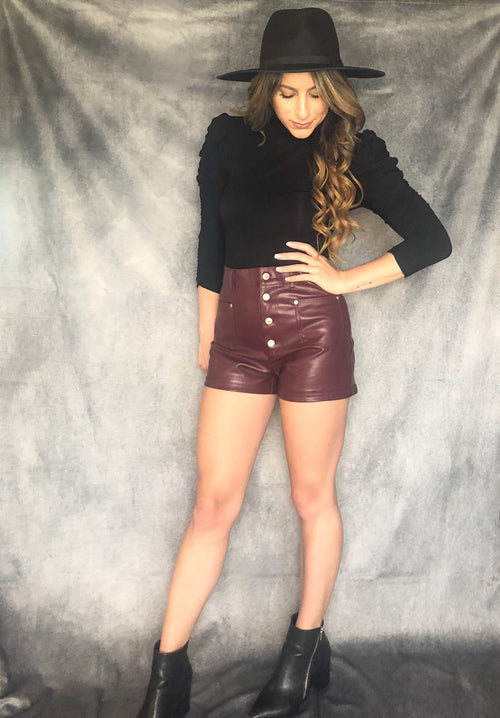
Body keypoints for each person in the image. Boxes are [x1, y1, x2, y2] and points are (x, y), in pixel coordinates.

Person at [136, 7, 452, 718]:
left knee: (314, 499)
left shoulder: (353, 149)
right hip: (238, 340)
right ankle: (166, 674)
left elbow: (433, 239)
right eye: (288, 92)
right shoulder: (228, 139)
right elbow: (211, 241)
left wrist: (342, 281)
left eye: (315, 92)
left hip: (314, 337)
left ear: (333, 91)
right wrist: (208, 333)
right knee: (212, 506)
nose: (303, 108)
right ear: (266, 90)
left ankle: (302, 655)